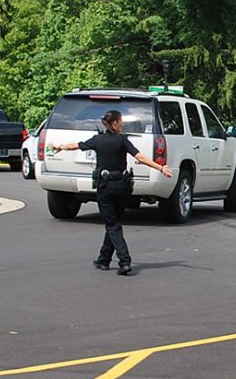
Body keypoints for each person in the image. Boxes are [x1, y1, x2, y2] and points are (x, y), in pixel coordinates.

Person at [50, 110, 173, 275]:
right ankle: (103, 259)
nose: (122, 124)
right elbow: (141, 157)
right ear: (114, 123)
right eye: (120, 121)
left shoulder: (98, 140)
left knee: (112, 224)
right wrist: (160, 168)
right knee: (113, 222)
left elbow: (76, 145)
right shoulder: (123, 140)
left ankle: (125, 261)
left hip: (106, 187)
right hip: (122, 186)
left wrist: (60, 147)